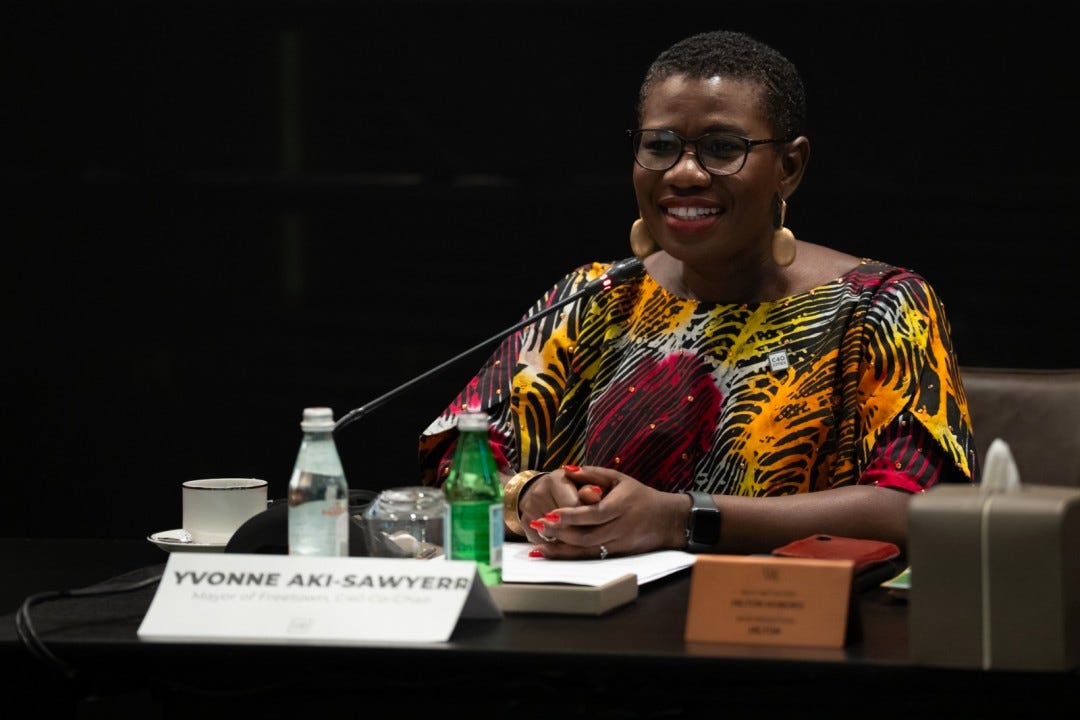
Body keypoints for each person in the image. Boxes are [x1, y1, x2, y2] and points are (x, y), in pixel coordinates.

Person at [418, 29, 978, 560]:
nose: (684, 173)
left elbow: (915, 507)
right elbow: (456, 449)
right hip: (590, 622)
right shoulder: (594, 297)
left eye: (721, 147)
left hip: (784, 627)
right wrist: (529, 493)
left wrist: (681, 519)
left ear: (790, 166)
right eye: (660, 145)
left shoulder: (879, 306)